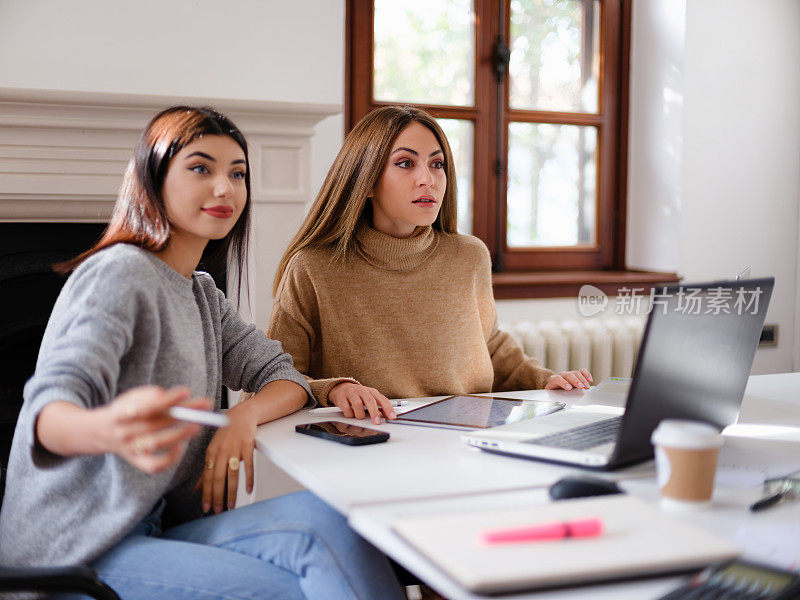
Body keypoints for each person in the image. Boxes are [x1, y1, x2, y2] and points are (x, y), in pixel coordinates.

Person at [0, 106, 403, 600]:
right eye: (200, 168)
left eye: (238, 173)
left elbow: (285, 377)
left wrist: (243, 417)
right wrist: (109, 429)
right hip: (75, 550)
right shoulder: (119, 273)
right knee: (289, 591)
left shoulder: (201, 292)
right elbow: (48, 410)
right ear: (153, 179)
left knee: (333, 523)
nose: (224, 188)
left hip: (152, 528)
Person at [268, 105, 593, 425]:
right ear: (366, 181)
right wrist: (334, 389)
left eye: (437, 164)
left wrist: (545, 379)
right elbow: (274, 379)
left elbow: (490, 346)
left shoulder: (470, 256)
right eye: (406, 163)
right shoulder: (313, 267)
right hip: (375, 442)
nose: (428, 179)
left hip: (467, 439)